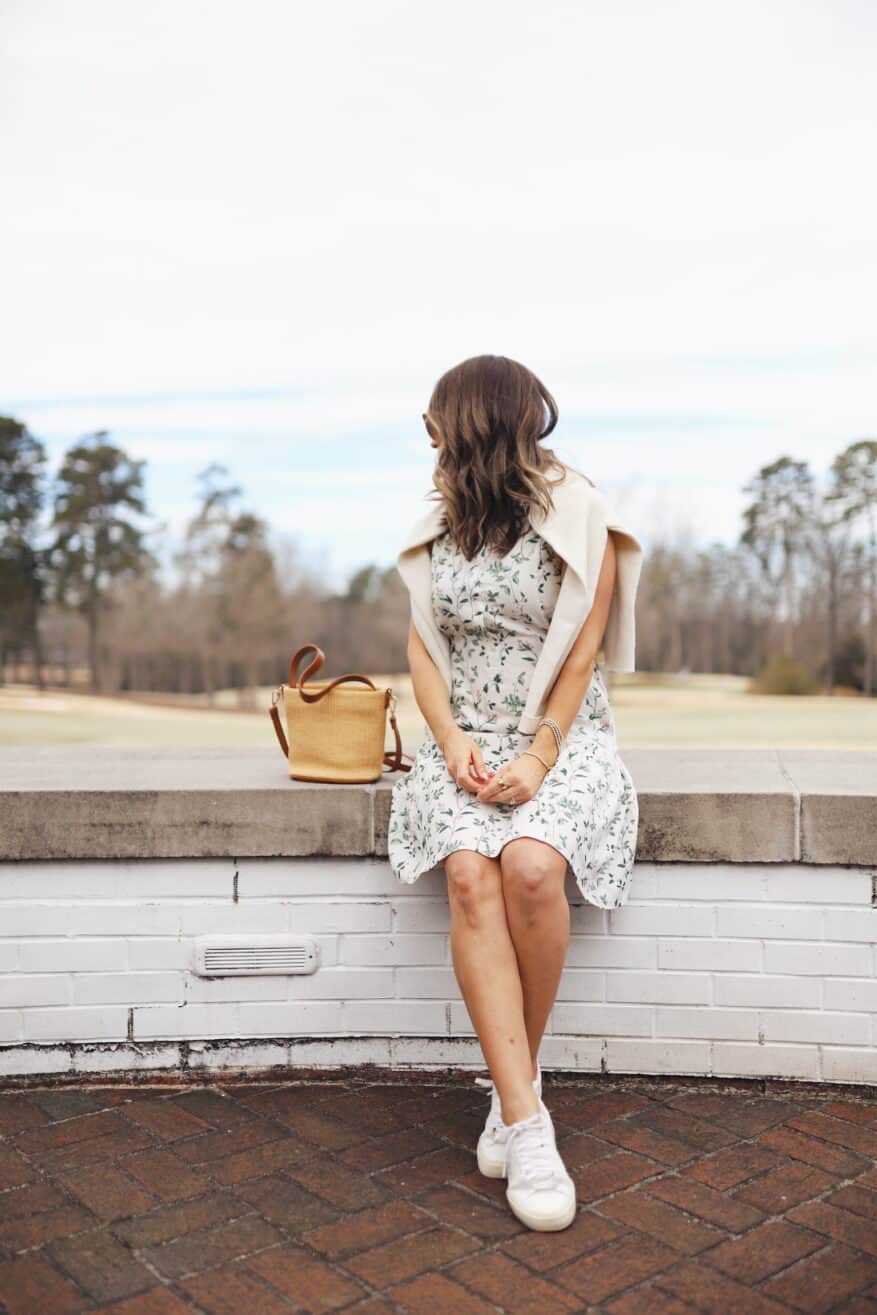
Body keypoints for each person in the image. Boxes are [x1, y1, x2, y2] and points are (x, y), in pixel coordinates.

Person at [387, 354, 643, 1232]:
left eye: (433, 418)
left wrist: (539, 753)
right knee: (470, 873)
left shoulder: (582, 512)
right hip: (462, 741)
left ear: (470, 422)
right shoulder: (439, 524)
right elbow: (423, 649)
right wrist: (448, 741)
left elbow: (583, 653)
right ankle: (527, 1121)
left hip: (558, 737)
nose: (423, 434)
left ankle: (508, 1091)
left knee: (532, 867)